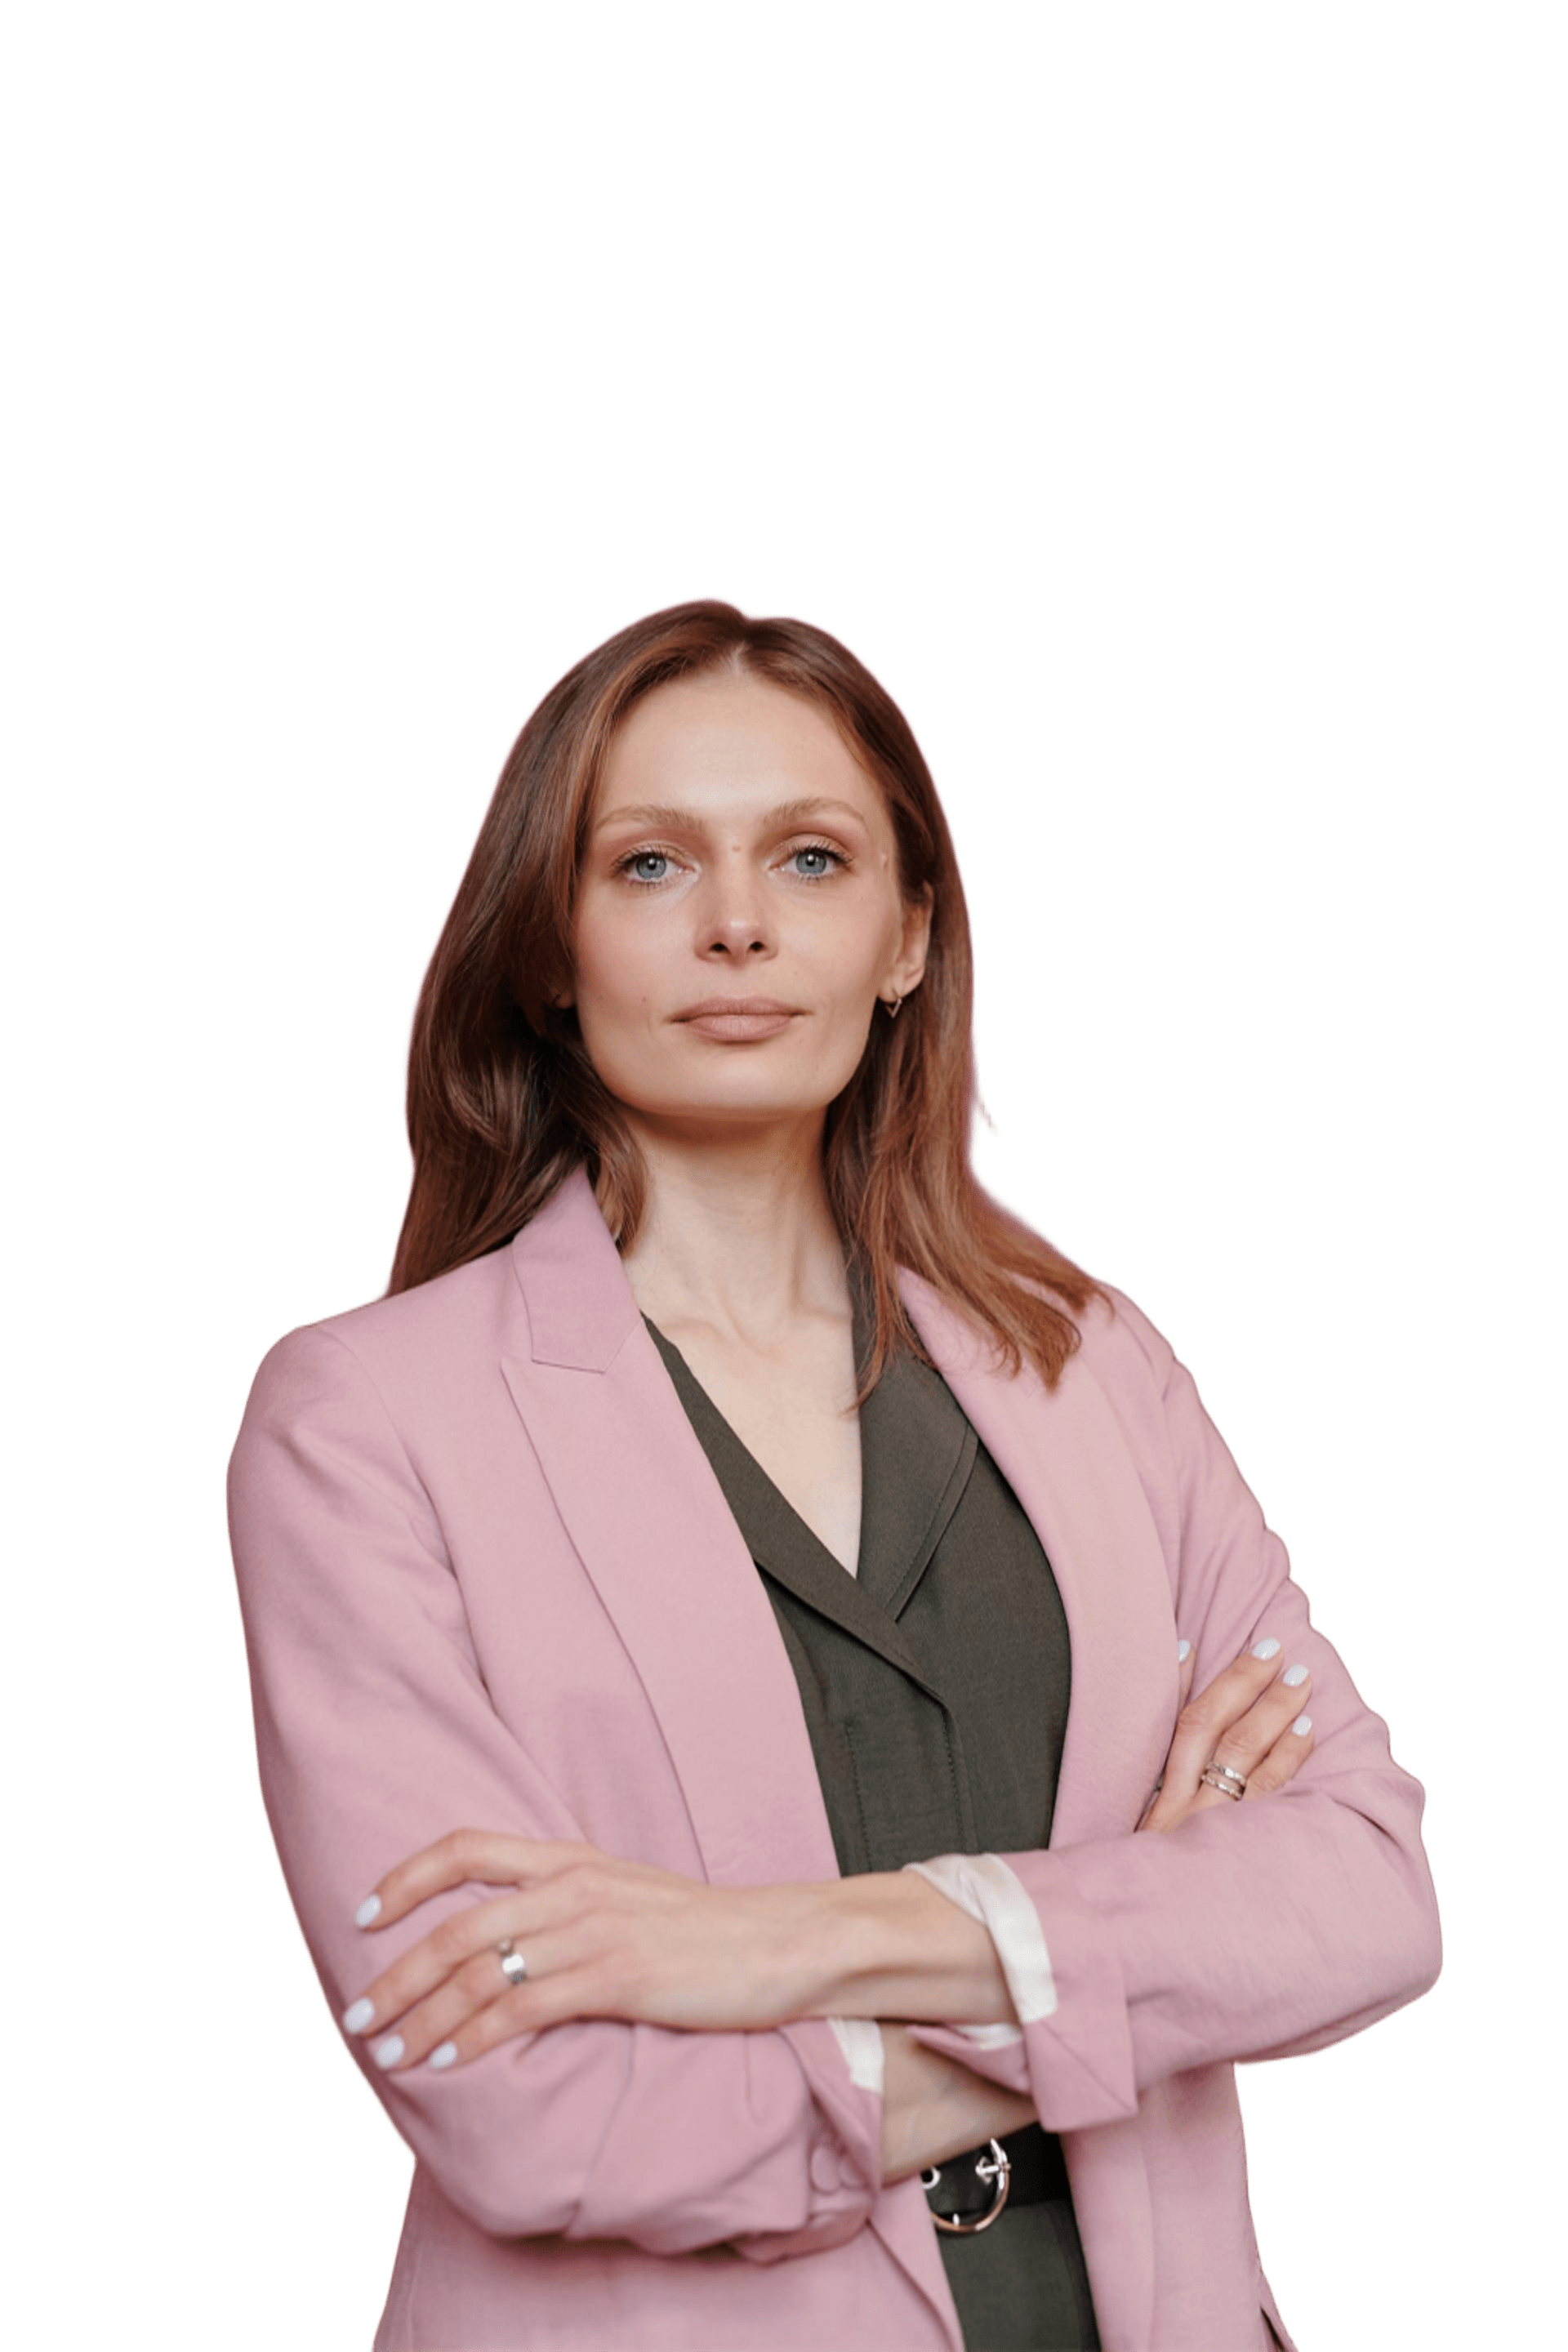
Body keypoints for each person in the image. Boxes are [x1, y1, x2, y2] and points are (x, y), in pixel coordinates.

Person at [225, 596, 1441, 2352]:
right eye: (649, 864)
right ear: (552, 947)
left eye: (810, 858)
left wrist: (769, 1947)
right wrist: (1127, 1967)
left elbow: (1368, 1899)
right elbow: (531, 2113)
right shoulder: (364, 1422)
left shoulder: (1091, 1363)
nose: (737, 923)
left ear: (906, 936)